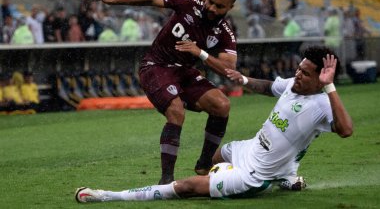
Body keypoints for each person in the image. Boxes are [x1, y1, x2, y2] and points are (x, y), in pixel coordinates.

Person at [75, 46, 353, 202]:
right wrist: (243, 80)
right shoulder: (293, 85)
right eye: (299, 68)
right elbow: (270, 86)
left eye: (305, 73)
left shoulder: (323, 104)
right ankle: (286, 176)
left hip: (254, 175)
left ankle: (106, 196)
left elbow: (346, 130)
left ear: (322, 78)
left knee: (185, 188)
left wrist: (330, 89)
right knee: (217, 155)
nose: (297, 75)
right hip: (249, 149)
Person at [90, 0, 239, 184]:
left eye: (219, 6)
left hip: (184, 72)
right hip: (155, 66)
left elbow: (230, 69)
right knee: (176, 111)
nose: (211, 8)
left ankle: (204, 164)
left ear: (230, 7)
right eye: (210, 1)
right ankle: (166, 181)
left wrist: (201, 53)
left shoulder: (225, 32)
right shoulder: (187, 2)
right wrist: (113, 1)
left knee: (222, 105)